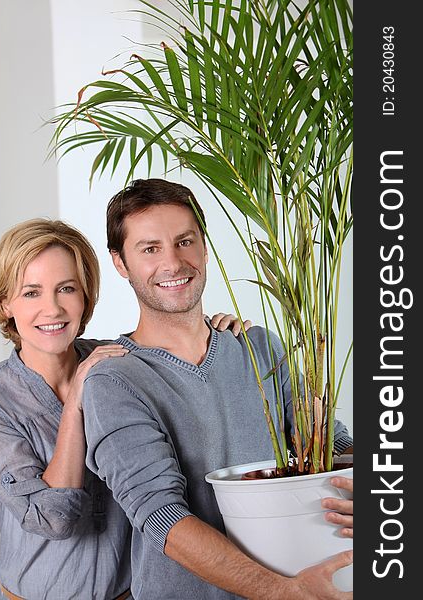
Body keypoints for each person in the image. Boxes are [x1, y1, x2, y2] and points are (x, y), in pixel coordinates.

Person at [82, 178, 354, 600]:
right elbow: (162, 519)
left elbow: (332, 444)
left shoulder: (260, 346)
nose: (173, 263)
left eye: (184, 241)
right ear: (120, 263)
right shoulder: (114, 380)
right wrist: (285, 591)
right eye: (150, 249)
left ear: (204, 247)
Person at [0, 217, 247, 600]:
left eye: (67, 289)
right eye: (31, 293)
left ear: (86, 296)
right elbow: (53, 518)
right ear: (4, 303)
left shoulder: (119, 363)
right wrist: (76, 399)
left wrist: (212, 335)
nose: (53, 308)